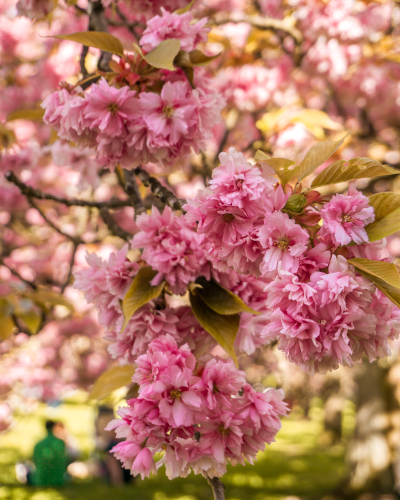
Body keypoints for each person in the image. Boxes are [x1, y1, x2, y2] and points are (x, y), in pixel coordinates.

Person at [31, 420, 68, 486]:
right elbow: (65, 459)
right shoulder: (61, 443)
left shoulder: (38, 444)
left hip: (41, 480)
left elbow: (35, 461)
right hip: (59, 480)